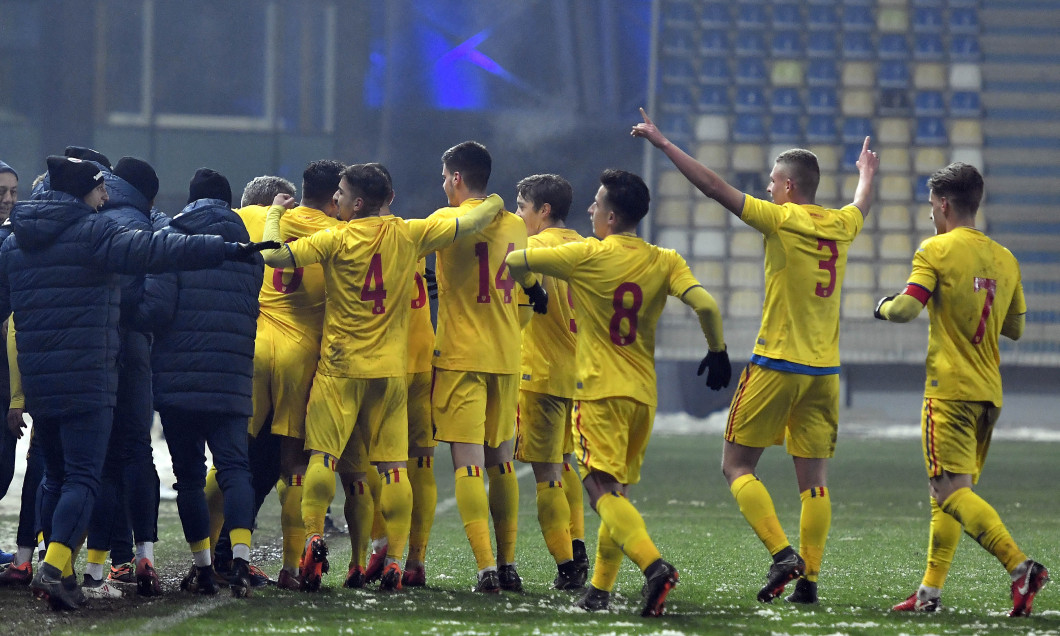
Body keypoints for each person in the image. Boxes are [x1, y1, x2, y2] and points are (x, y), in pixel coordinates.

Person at [0, 157, 273, 610]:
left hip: (41, 380)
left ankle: (59, 569)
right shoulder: (95, 235)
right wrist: (224, 249)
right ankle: (55, 568)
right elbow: (162, 250)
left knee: (53, 475)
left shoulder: (15, 241)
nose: (105, 196)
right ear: (81, 194)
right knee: (85, 476)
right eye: (98, 189)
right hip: (89, 375)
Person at [632, 108, 879, 605]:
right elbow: (861, 204)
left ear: (789, 186)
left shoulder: (781, 219)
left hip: (776, 364)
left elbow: (714, 188)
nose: (767, 188)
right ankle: (808, 580)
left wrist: (663, 143)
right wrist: (867, 174)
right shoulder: (842, 224)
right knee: (814, 482)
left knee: (736, 465)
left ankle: (781, 553)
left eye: (771, 181)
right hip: (825, 371)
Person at [259, 163, 507, 592]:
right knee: (395, 470)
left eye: (340, 193)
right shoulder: (409, 233)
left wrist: (276, 214)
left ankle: (314, 534)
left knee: (321, 458)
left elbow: (274, 255)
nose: (334, 199)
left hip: (340, 367)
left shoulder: (335, 237)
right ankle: (395, 559)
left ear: (357, 202)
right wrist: (497, 201)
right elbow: (473, 220)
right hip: (390, 373)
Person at [505, 168, 729, 617]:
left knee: (598, 489)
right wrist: (717, 350)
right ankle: (599, 589)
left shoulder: (587, 254)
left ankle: (653, 566)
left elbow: (515, 262)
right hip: (643, 395)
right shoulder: (665, 259)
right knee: (616, 494)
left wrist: (535, 291)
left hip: (597, 392)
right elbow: (705, 304)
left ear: (609, 215)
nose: (590, 209)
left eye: (596, 203)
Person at [876, 162, 1049, 617]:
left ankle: (1019, 567)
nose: (932, 214)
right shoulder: (1005, 258)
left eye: (933, 206)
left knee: (949, 491)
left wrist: (881, 306)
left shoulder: (935, 250)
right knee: (951, 493)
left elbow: (905, 311)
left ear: (945, 204)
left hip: (949, 390)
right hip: (989, 393)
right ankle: (929, 593)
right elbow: (1014, 328)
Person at [136, 168, 266, 598]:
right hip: (231, 380)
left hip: (177, 381)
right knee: (235, 469)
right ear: (229, 204)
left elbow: (156, 309)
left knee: (189, 477)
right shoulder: (250, 252)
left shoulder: (173, 239)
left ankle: (205, 570)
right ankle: (243, 563)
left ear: (191, 200)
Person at [429, 141, 542, 593]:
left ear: (456, 178)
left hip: (461, 356)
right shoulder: (516, 224)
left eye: (444, 177)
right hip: (506, 353)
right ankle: (510, 563)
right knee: (502, 464)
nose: (443, 185)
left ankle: (485, 568)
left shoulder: (445, 220)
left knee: (468, 464)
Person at [228, 161, 344, 590]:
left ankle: (212, 556)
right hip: (303, 353)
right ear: (337, 197)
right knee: (294, 460)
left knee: (233, 454)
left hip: (255, 346)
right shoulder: (339, 233)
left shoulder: (256, 216)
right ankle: (292, 568)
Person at [82, 157, 165, 600]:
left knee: (96, 459)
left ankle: (90, 567)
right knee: (136, 450)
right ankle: (145, 553)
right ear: (149, 195)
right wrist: (137, 326)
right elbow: (155, 300)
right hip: (131, 349)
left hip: (90, 349)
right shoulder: (145, 226)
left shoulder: (90, 211)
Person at [510, 173, 589, 590]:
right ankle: (577, 547)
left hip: (539, 373)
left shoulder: (531, 250)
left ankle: (566, 564)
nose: (518, 215)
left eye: (522, 207)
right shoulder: (588, 248)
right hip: (580, 376)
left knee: (546, 475)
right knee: (565, 463)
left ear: (543, 210)